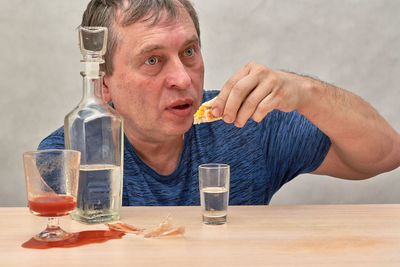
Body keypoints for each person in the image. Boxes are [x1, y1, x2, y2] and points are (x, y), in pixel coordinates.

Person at [39, 0, 400, 206]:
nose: (183, 78)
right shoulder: (70, 157)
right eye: (153, 60)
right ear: (104, 85)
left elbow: (385, 154)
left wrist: (307, 93)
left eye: (189, 52)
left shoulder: (244, 123)